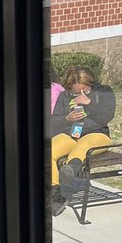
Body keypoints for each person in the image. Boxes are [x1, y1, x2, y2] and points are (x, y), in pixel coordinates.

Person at [49, 66, 116, 216]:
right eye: (75, 91)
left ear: (91, 85)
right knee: (50, 149)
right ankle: (55, 195)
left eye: (85, 90)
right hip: (71, 134)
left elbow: (107, 115)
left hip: (96, 134)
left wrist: (90, 102)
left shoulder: (104, 91)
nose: (80, 94)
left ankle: (71, 168)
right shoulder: (64, 96)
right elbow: (52, 123)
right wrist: (66, 119)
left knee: (84, 146)